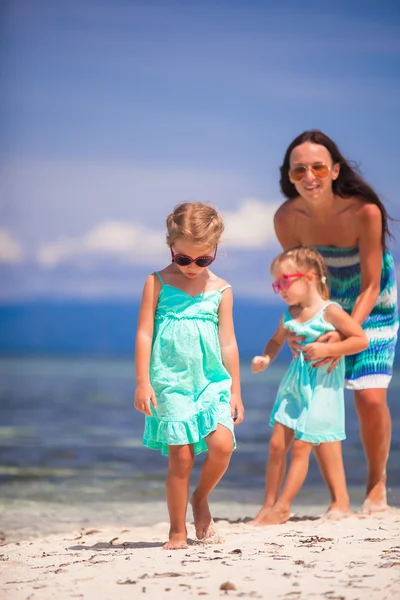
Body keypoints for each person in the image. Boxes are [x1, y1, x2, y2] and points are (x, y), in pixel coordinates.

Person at [274, 130, 399, 514]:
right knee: (320, 399)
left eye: (318, 167)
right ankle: (338, 500)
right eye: (299, 171)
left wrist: (343, 330)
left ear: (334, 170)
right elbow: (297, 282)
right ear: (290, 177)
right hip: (322, 305)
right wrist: (299, 327)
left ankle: (376, 484)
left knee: (369, 396)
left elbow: (372, 282)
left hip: (371, 305)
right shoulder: (287, 218)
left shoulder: (365, 211)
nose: (309, 176)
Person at [134, 202, 244, 550]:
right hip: (170, 382)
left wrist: (236, 391)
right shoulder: (157, 282)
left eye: (203, 260)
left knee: (222, 445)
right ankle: (176, 530)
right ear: (171, 247)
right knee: (181, 457)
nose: (193, 267)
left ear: (215, 250)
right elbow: (144, 334)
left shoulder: (222, 290)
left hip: (212, 381)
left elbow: (228, 343)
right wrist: (142, 381)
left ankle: (201, 499)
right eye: (184, 259)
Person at [251, 247, 369, 525]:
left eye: (284, 281)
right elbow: (276, 340)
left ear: (311, 277)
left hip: (322, 390)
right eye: (276, 284)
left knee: (303, 446)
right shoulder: (289, 315)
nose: (280, 289)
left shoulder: (331, 312)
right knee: (277, 445)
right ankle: (268, 505)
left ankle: (283, 507)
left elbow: (360, 340)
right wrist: (266, 357)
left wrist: (329, 350)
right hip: (294, 387)